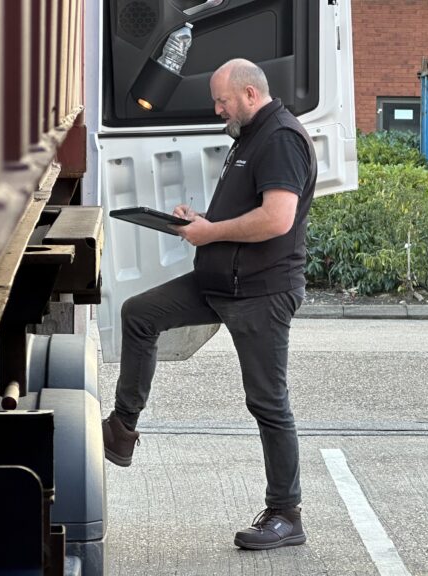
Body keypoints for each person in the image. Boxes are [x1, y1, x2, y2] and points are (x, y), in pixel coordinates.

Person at [101, 58, 316, 551]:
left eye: (222, 101)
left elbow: (277, 219)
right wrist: (198, 221)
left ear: (249, 94)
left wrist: (209, 232)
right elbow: (244, 212)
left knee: (268, 403)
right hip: (221, 282)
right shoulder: (250, 135)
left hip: (261, 291)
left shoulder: (281, 138)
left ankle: (286, 514)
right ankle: (122, 429)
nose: (217, 109)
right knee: (139, 313)